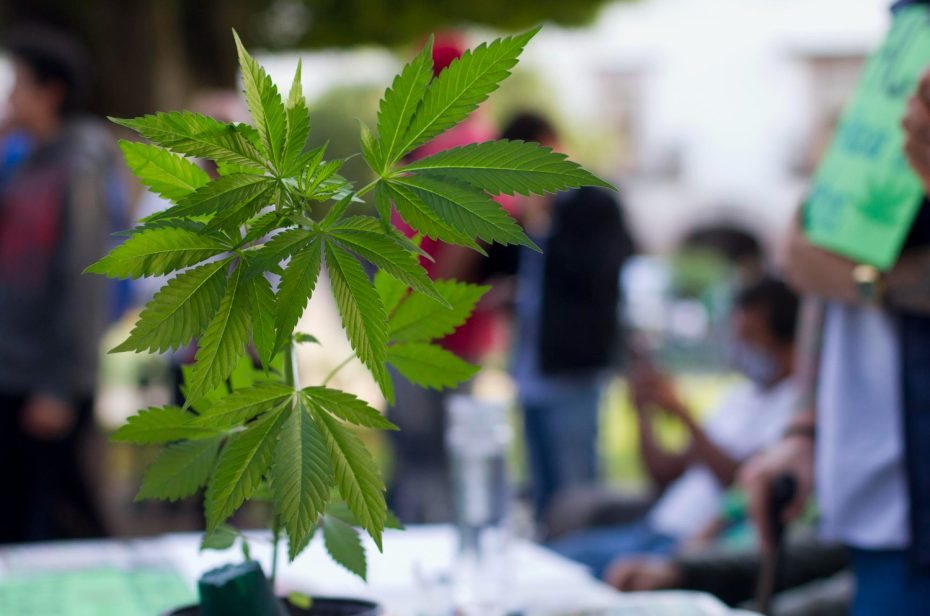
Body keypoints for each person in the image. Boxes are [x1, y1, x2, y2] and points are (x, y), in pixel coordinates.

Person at [741, 53, 930, 616]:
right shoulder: (904, 34)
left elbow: (828, 269)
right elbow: (814, 258)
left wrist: (865, 282)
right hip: (876, 503)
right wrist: (805, 426)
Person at [550, 277, 799, 578]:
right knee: (549, 561)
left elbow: (746, 483)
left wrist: (685, 418)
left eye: (750, 337)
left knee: (558, 572)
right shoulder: (740, 397)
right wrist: (644, 412)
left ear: (786, 340)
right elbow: (664, 474)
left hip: (688, 549)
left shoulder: (795, 407)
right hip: (652, 530)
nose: (741, 348)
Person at [0, 25, 116, 542]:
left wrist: (60, 387)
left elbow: (84, 281)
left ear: (52, 92)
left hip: (46, 383)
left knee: (62, 526)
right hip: (13, 371)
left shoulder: (78, 169)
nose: (8, 97)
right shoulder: (26, 161)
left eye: (18, 83)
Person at [386, 34, 505, 523]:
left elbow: (464, 236)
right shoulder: (457, 139)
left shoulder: (458, 142)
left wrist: (425, 310)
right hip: (444, 328)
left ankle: (435, 561)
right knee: (440, 458)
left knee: (431, 459)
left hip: (434, 330)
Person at [503, 112, 635, 524]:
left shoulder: (594, 203)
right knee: (542, 489)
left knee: (576, 489)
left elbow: (597, 276)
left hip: (573, 367)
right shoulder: (531, 212)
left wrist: (544, 224)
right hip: (532, 366)